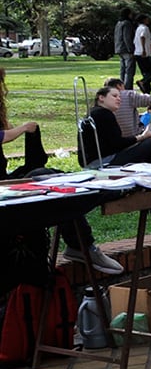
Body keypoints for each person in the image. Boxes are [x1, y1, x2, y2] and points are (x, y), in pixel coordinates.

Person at [4, 70, 124, 275]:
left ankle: (81, 245)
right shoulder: (99, 115)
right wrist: (22, 129)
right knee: (52, 181)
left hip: (6, 179)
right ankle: (81, 245)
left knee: (58, 179)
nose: (4, 90)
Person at [132, 14, 151, 94]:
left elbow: (135, 41)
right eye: (147, 19)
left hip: (137, 53)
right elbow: (142, 37)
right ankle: (143, 82)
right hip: (144, 54)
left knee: (146, 72)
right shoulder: (144, 28)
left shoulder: (138, 29)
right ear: (143, 20)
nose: (148, 20)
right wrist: (143, 49)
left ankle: (147, 92)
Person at [113, 8, 135, 88]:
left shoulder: (118, 23)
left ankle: (121, 86)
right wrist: (131, 49)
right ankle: (127, 87)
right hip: (126, 49)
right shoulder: (127, 23)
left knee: (122, 69)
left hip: (119, 48)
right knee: (129, 70)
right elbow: (127, 37)